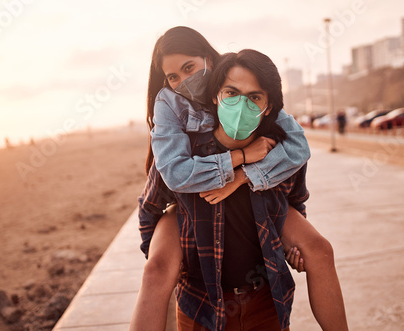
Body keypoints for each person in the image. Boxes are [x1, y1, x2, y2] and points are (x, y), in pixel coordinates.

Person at [131, 27, 348, 331]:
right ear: (219, 97)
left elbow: (295, 192)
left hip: (265, 300)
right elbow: (160, 191)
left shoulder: (273, 139)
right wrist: (239, 160)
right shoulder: (179, 131)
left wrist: (287, 244)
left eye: (189, 68)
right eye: (231, 94)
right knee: (156, 271)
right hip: (203, 305)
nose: (183, 82)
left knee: (320, 250)